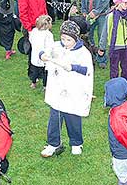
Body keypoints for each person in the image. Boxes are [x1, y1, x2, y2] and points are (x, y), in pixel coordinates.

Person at [40, 20, 94, 157]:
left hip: (73, 91)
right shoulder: (57, 47)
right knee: (55, 117)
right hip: (58, 91)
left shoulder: (83, 53)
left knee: (72, 117)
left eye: (69, 39)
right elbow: (43, 51)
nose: (65, 42)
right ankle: (53, 143)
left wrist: (72, 67)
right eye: (63, 38)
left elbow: (87, 70)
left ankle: (76, 143)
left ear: (76, 38)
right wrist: (43, 55)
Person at [99, 0, 127, 93]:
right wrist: (102, 47)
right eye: (125, 3)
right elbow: (104, 32)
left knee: (126, 68)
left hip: (126, 46)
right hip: (114, 46)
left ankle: (126, 85)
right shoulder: (110, 16)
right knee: (114, 69)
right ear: (118, 3)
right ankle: (114, 88)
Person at [81, 0, 112, 68]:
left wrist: (97, 11)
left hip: (102, 14)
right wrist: (84, 10)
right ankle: (91, 54)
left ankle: (102, 58)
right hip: (88, 13)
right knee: (87, 35)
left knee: (102, 37)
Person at [28, 15, 54, 89]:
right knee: (46, 71)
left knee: (34, 70)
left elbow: (31, 40)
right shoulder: (48, 34)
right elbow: (50, 46)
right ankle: (45, 86)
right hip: (45, 56)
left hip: (35, 55)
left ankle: (33, 83)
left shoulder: (34, 31)